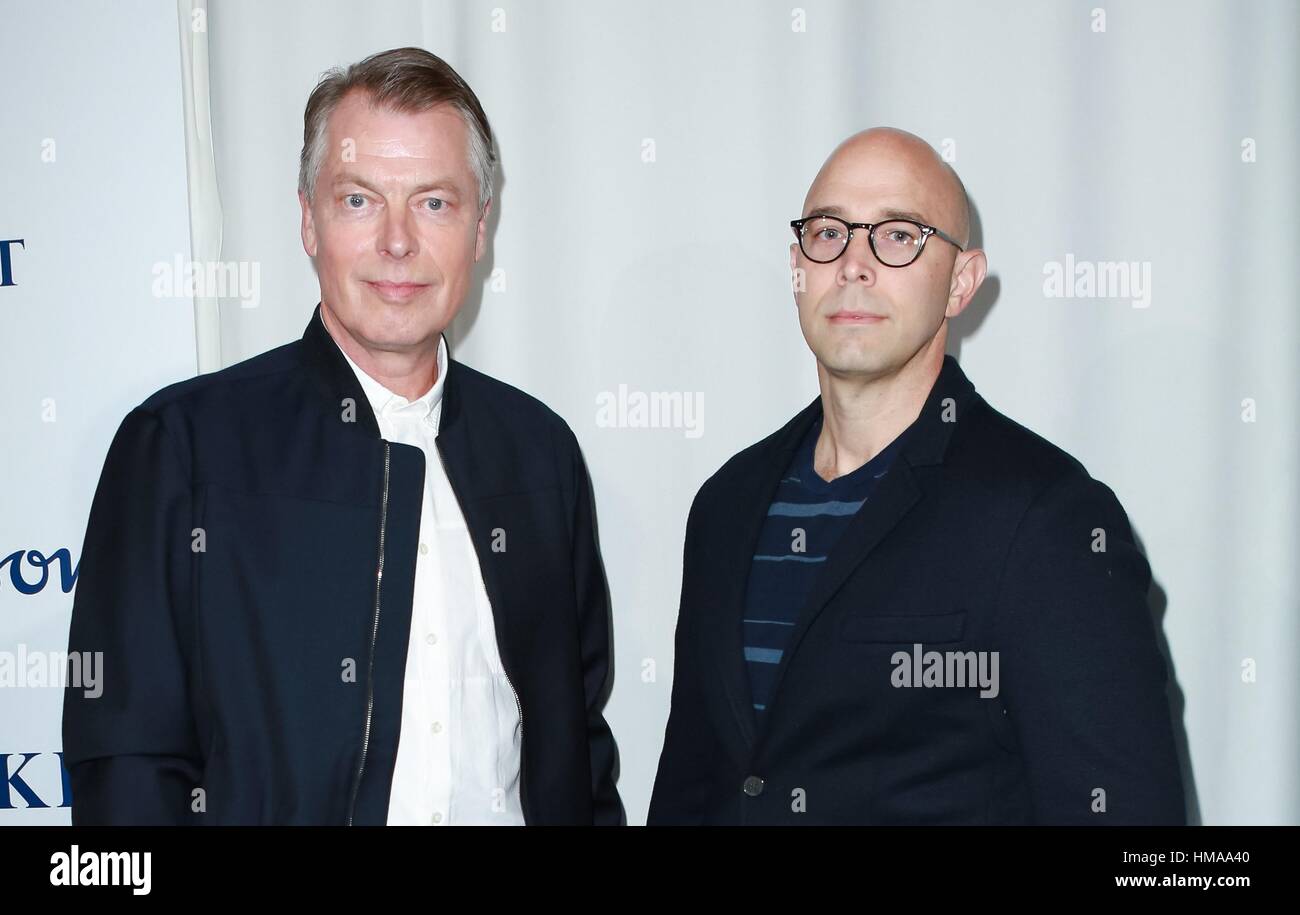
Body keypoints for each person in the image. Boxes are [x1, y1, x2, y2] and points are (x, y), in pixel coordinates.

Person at [63, 47, 622, 826]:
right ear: (307, 219)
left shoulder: (540, 454)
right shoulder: (182, 450)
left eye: (434, 203)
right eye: (360, 200)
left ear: (480, 229)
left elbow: (579, 751)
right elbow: (127, 767)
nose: (397, 241)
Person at [648, 127, 1184, 825]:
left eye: (898, 236)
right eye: (829, 232)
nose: (854, 264)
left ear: (960, 282)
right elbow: (697, 784)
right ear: (797, 264)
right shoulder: (725, 503)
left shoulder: (1047, 519)